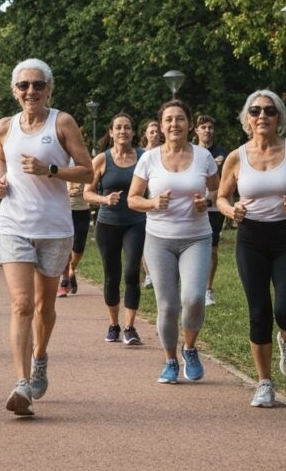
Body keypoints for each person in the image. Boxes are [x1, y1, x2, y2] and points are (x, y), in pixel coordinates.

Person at [0, 59, 93, 415]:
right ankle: (21, 384)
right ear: (14, 91)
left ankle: (40, 356)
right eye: (23, 86)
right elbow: (1, 159)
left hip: (53, 227)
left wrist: (51, 170)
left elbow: (88, 171)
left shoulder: (61, 122)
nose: (30, 91)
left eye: (37, 85)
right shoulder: (5, 126)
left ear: (49, 89)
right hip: (14, 223)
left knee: (44, 307)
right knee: (21, 304)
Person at [217, 90, 286, 408]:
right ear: (247, 119)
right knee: (259, 312)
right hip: (251, 240)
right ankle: (264, 383)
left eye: (269, 111)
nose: (262, 116)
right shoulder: (237, 157)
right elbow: (221, 197)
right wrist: (229, 210)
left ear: (279, 118)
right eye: (256, 110)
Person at [128, 99, 218, 385]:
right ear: (162, 125)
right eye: (168, 119)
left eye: (180, 119)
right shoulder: (149, 158)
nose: (174, 124)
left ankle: (189, 348)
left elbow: (218, 192)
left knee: (192, 299)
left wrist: (207, 201)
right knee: (167, 306)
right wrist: (153, 202)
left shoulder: (203, 156)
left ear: (189, 125)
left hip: (196, 237)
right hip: (159, 240)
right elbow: (132, 199)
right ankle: (169, 360)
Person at [84, 113, 146, 343]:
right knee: (112, 276)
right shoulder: (102, 159)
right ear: (111, 132)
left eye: (127, 127)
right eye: (118, 127)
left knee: (131, 273)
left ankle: (130, 327)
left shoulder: (144, 157)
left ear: (132, 132)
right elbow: (87, 192)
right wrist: (104, 199)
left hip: (136, 223)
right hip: (108, 223)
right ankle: (114, 324)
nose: (123, 131)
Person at [194, 115, 229, 306]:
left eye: (210, 127)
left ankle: (208, 289)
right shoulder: (190, 151)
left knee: (212, 248)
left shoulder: (222, 152)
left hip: (214, 208)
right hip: (193, 205)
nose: (207, 130)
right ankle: (193, 287)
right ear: (197, 131)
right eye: (203, 127)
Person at [138, 119, 162, 288]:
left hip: (160, 203)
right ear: (145, 134)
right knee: (143, 239)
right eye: (151, 131)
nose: (154, 134)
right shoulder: (139, 154)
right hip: (142, 201)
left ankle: (158, 271)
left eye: (156, 131)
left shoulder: (164, 152)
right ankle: (148, 274)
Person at [59, 179, 89, 298]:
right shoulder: (60, 161)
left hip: (82, 210)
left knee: (78, 246)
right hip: (63, 209)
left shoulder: (87, 162)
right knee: (65, 245)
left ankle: (71, 269)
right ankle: (65, 280)